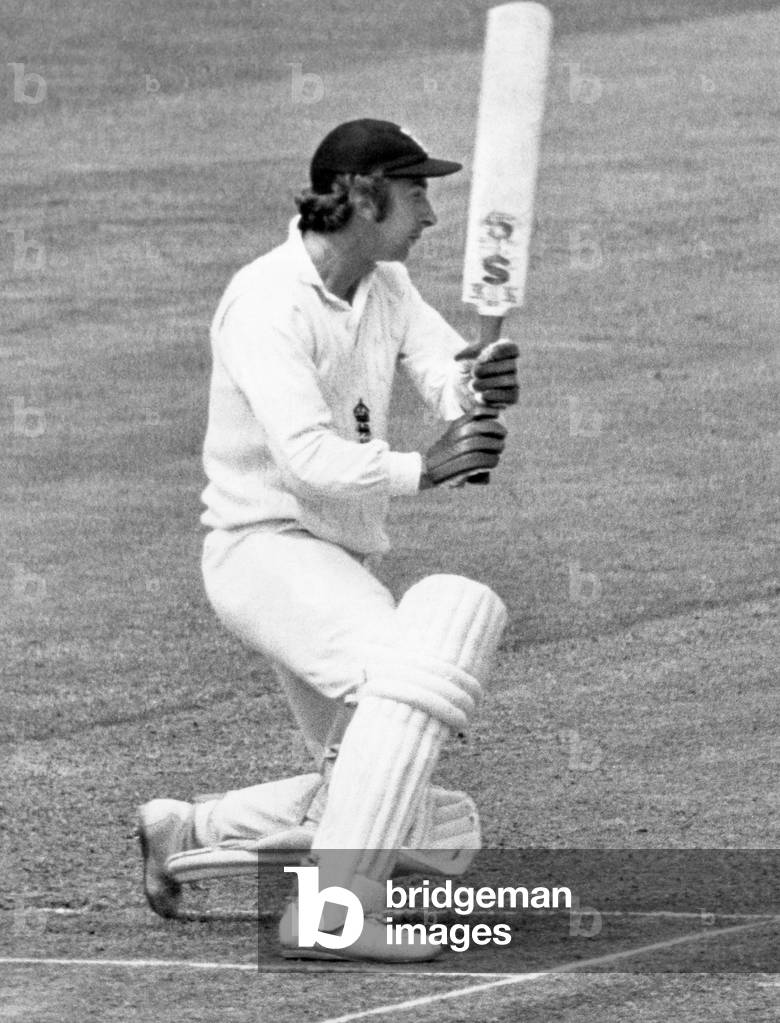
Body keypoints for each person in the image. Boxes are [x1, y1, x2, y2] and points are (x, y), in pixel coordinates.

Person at [137, 119, 519, 961]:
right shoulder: (265, 302)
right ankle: (329, 915)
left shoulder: (381, 285)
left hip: (333, 557)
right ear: (363, 196)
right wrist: (427, 467)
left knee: (390, 793)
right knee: (406, 679)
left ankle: (187, 828)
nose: (429, 213)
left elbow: (441, 370)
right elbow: (307, 459)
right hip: (263, 548)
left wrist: (476, 383)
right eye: (415, 191)